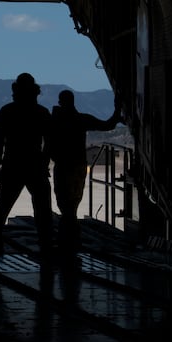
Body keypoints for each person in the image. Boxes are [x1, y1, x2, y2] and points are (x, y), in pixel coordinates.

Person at [0, 72, 54, 259]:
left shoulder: (7, 112)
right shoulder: (42, 113)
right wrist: (45, 161)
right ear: (35, 92)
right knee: (43, 211)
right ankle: (46, 246)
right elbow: (50, 141)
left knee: (2, 210)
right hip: (35, 166)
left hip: (12, 166)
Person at [50, 90, 123, 257]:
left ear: (60, 101)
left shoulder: (56, 120)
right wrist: (117, 110)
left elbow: (48, 144)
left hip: (64, 166)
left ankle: (67, 239)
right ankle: (71, 239)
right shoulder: (80, 119)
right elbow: (107, 125)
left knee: (65, 203)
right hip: (77, 166)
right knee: (72, 204)